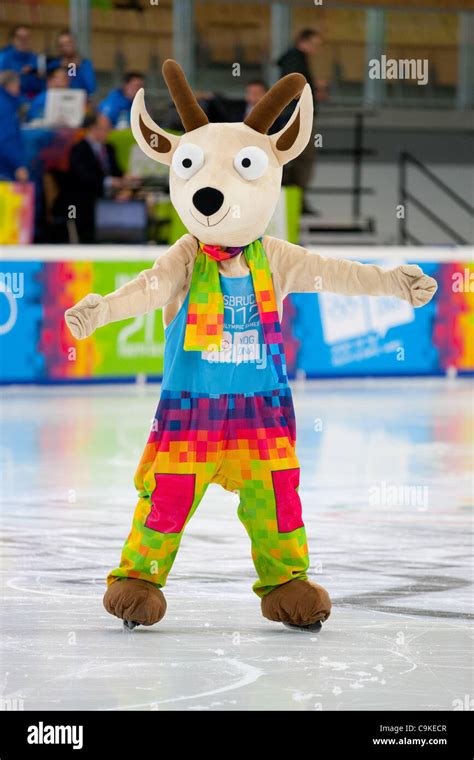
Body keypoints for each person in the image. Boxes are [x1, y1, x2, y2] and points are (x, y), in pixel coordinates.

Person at [277, 28, 322, 214]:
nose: (315, 49)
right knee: (301, 158)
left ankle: (291, 197)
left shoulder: (294, 59)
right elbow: (295, 88)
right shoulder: (295, 60)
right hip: (296, 117)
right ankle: (294, 198)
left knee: (294, 159)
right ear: (303, 41)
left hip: (294, 115)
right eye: (314, 44)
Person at [67, 113, 126, 242]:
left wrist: (126, 177)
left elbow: (117, 172)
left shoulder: (109, 148)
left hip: (108, 197)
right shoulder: (79, 150)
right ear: (93, 128)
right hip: (87, 199)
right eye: (105, 128)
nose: (108, 132)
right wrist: (109, 182)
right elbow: (83, 178)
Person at [0, 71, 29, 182]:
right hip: (5, 168)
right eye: (18, 86)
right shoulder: (5, 107)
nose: (19, 90)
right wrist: (18, 165)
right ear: (10, 85)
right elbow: (7, 138)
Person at [0, 25, 43, 99]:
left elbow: (43, 85)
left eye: (27, 37)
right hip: (9, 100)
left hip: (33, 100)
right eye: (20, 38)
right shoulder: (3, 58)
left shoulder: (38, 59)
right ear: (13, 39)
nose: (24, 41)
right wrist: (20, 74)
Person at [48, 31, 96, 96]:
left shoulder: (84, 64)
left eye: (69, 42)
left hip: (79, 100)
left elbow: (91, 89)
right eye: (62, 45)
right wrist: (62, 67)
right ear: (59, 48)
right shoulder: (54, 65)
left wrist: (78, 68)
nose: (66, 46)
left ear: (74, 43)